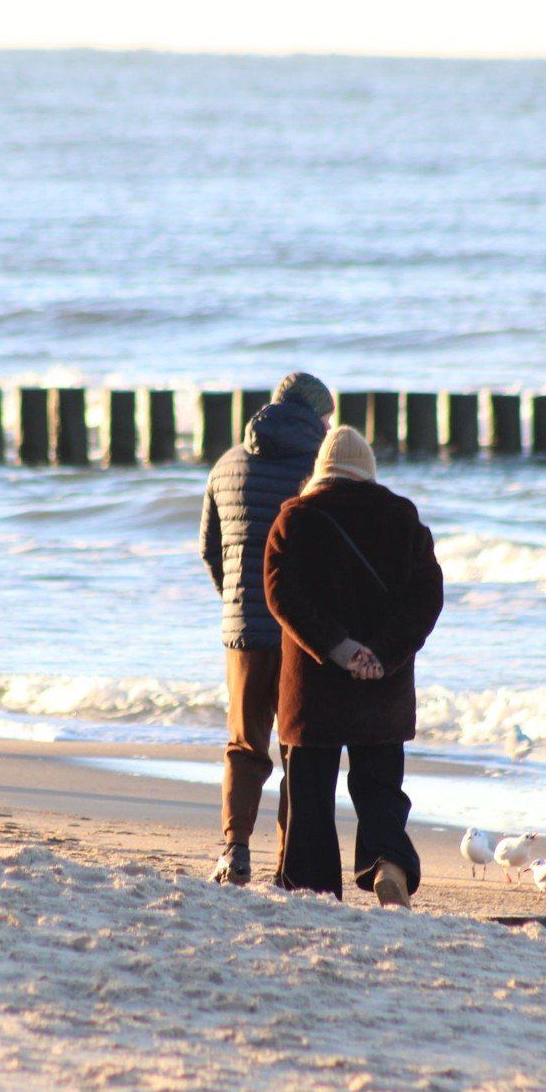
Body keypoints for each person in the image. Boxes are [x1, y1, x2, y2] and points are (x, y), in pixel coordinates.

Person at [263, 426, 443, 907]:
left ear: (321, 470)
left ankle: (314, 889)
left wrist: (340, 649)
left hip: (313, 687)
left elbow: (282, 596)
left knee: (310, 793)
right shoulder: (402, 518)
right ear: (368, 471)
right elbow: (427, 598)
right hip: (381, 689)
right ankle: (388, 863)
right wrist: (381, 655)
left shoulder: (295, 519)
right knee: (380, 785)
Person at [199, 371, 331, 886]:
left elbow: (210, 550)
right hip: (301, 632)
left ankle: (233, 851)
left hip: (243, 629)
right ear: (320, 417)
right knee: (299, 749)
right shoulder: (318, 469)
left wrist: (236, 597)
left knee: (244, 745)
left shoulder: (229, 463)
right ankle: (288, 866)